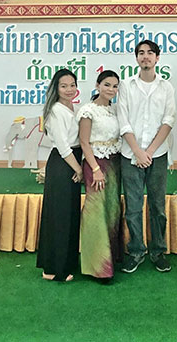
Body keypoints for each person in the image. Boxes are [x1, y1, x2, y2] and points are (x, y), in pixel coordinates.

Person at [117, 40, 176, 273]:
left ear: (157, 58)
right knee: (133, 206)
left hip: (157, 155)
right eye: (141, 53)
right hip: (130, 154)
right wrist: (138, 152)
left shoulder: (166, 87)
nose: (145, 57)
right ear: (136, 58)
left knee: (157, 206)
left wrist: (148, 152)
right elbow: (123, 121)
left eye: (150, 53)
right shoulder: (126, 85)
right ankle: (136, 251)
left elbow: (168, 121)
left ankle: (158, 251)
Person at [36, 69, 84, 282]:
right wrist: (78, 169)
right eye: (64, 86)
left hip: (73, 161)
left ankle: (66, 263)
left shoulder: (74, 108)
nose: (69, 89)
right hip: (63, 164)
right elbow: (63, 146)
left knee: (69, 214)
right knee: (59, 216)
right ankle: (53, 269)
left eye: (72, 85)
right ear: (56, 88)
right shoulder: (55, 110)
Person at [76, 70, 124, 281]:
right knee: (95, 212)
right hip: (95, 164)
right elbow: (84, 142)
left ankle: (111, 259)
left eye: (115, 86)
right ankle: (97, 266)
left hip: (114, 163)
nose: (111, 89)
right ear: (97, 85)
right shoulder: (88, 111)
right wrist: (95, 169)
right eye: (107, 85)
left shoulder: (114, 110)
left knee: (112, 210)